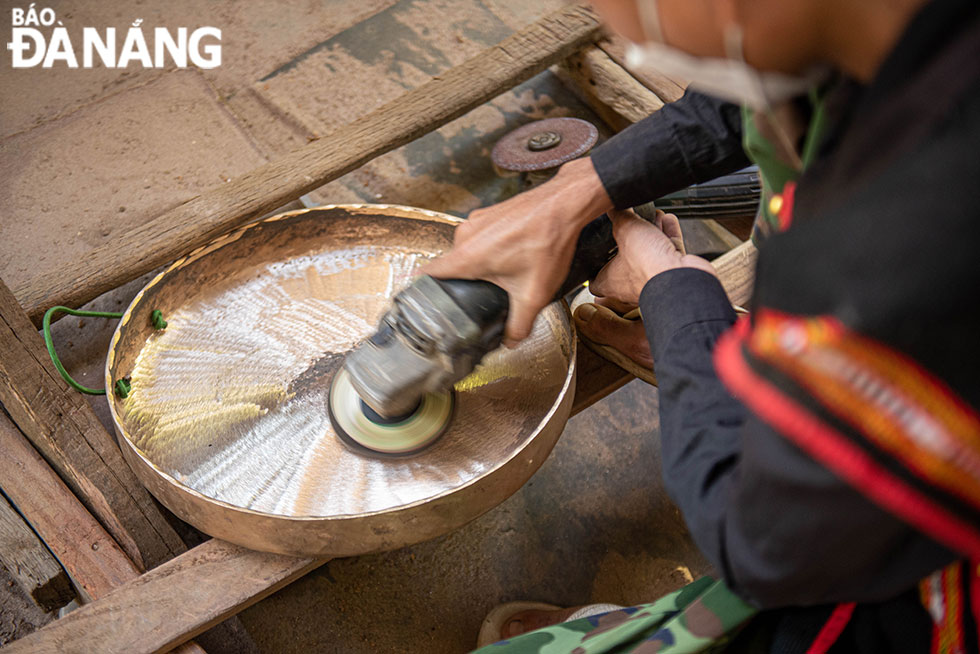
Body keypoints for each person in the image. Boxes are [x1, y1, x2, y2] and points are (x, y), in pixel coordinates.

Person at [424, 0, 980, 651]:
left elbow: (764, 543)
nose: (618, 27)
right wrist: (584, 185)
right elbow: (752, 91)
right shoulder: (897, 34)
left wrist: (678, 302)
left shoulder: (883, 259)